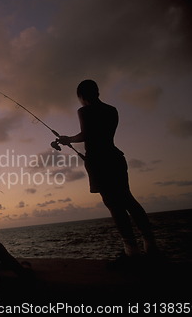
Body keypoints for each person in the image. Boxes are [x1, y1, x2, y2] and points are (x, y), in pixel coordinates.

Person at [58, 79, 159, 260]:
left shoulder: (84, 111)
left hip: (99, 162)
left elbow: (87, 134)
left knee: (114, 205)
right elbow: (100, 134)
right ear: (97, 92)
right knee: (128, 199)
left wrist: (69, 140)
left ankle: (131, 250)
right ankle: (150, 244)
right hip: (115, 157)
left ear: (81, 96)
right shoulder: (112, 110)